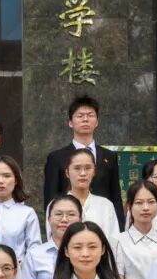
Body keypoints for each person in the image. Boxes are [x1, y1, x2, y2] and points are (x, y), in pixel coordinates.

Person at [43, 95, 125, 229]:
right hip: (68, 224)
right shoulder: (56, 158)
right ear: (70, 122)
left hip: (103, 221)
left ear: (97, 121)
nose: (85, 119)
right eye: (80, 116)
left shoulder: (109, 156)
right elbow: (51, 198)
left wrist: (120, 229)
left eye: (90, 115)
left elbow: (115, 196)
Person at [0, 155, 41, 261]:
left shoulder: (27, 213)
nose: (0, 181)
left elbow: (34, 249)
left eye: (7, 176)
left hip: (18, 268)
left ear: (16, 180)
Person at [65, 149, 120, 235]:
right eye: (77, 168)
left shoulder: (106, 205)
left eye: (88, 168)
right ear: (67, 172)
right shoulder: (56, 205)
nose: (83, 173)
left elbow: (114, 239)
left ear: (94, 171)